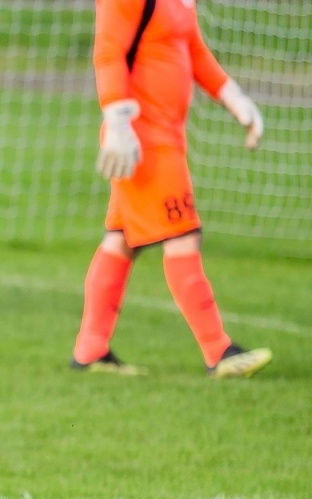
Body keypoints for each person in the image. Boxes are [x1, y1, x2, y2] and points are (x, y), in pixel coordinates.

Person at [71, 0, 271, 377]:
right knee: (183, 234)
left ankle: (90, 350)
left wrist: (235, 99)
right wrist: (117, 120)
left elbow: (191, 48)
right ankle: (219, 351)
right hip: (141, 142)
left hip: (166, 138)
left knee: (121, 240)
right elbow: (108, 50)